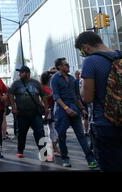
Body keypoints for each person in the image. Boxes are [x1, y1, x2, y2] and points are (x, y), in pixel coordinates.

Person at [75, 31, 122, 171]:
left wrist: (81, 86)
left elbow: (87, 98)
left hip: (105, 125)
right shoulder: (119, 56)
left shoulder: (90, 61)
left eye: (82, 51)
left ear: (86, 47)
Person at [51, 57, 98, 168]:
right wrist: (66, 109)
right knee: (62, 136)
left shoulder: (72, 79)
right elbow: (56, 96)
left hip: (74, 108)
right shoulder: (55, 78)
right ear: (59, 67)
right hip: (61, 110)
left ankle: (91, 160)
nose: (68, 66)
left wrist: (82, 108)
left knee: (81, 135)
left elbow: (76, 96)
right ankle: (65, 159)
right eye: (65, 64)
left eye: (67, 64)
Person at [8, 66, 50, 160]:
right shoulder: (16, 83)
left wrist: (46, 108)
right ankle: (20, 151)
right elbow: (10, 93)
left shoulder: (36, 83)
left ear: (27, 73)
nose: (19, 74)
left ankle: (43, 154)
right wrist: (14, 107)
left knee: (40, 133)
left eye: (21, 72)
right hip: (22, 113)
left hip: (35, 113)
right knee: (22, 133)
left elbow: (43, 96)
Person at [40, 71, 61, 158]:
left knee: (53, 130)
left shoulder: (50, 86)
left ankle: (53, 148)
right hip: (49, 110)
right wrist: (52, 95)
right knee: (54, 130)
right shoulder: (43, 87)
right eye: (50, 77)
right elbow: (42, 99)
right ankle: (54, 148)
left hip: (54, 109)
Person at [75, 70, 89, 136]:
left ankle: (85, 131)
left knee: (83, 117)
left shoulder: (75, 81)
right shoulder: (83, 81)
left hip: (79, 100)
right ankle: (86, 131)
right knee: (85, 116)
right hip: (83, 100)